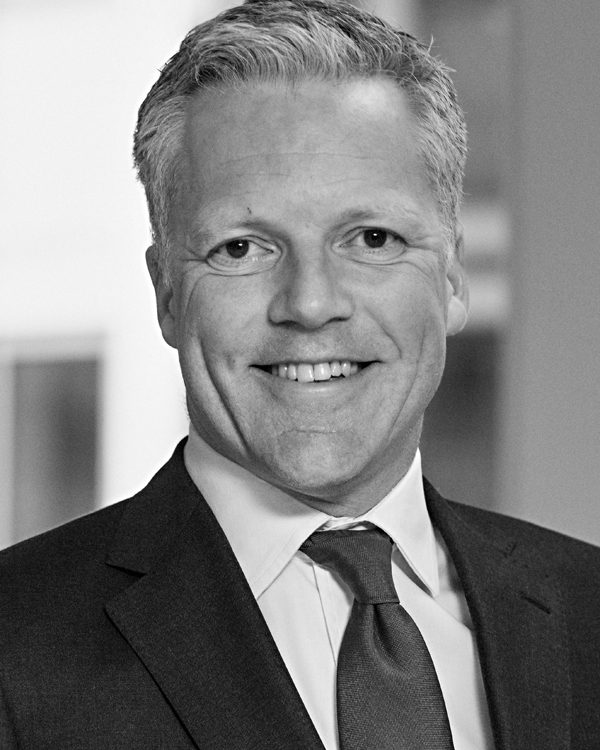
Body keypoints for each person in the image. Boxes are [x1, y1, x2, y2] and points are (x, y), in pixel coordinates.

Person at [1, 0, 599, 747]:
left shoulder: (587, 610)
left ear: (451, 279)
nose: (311, 304)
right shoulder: (16, 645)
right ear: (167, 295)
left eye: (372, 238)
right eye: (242, 248)